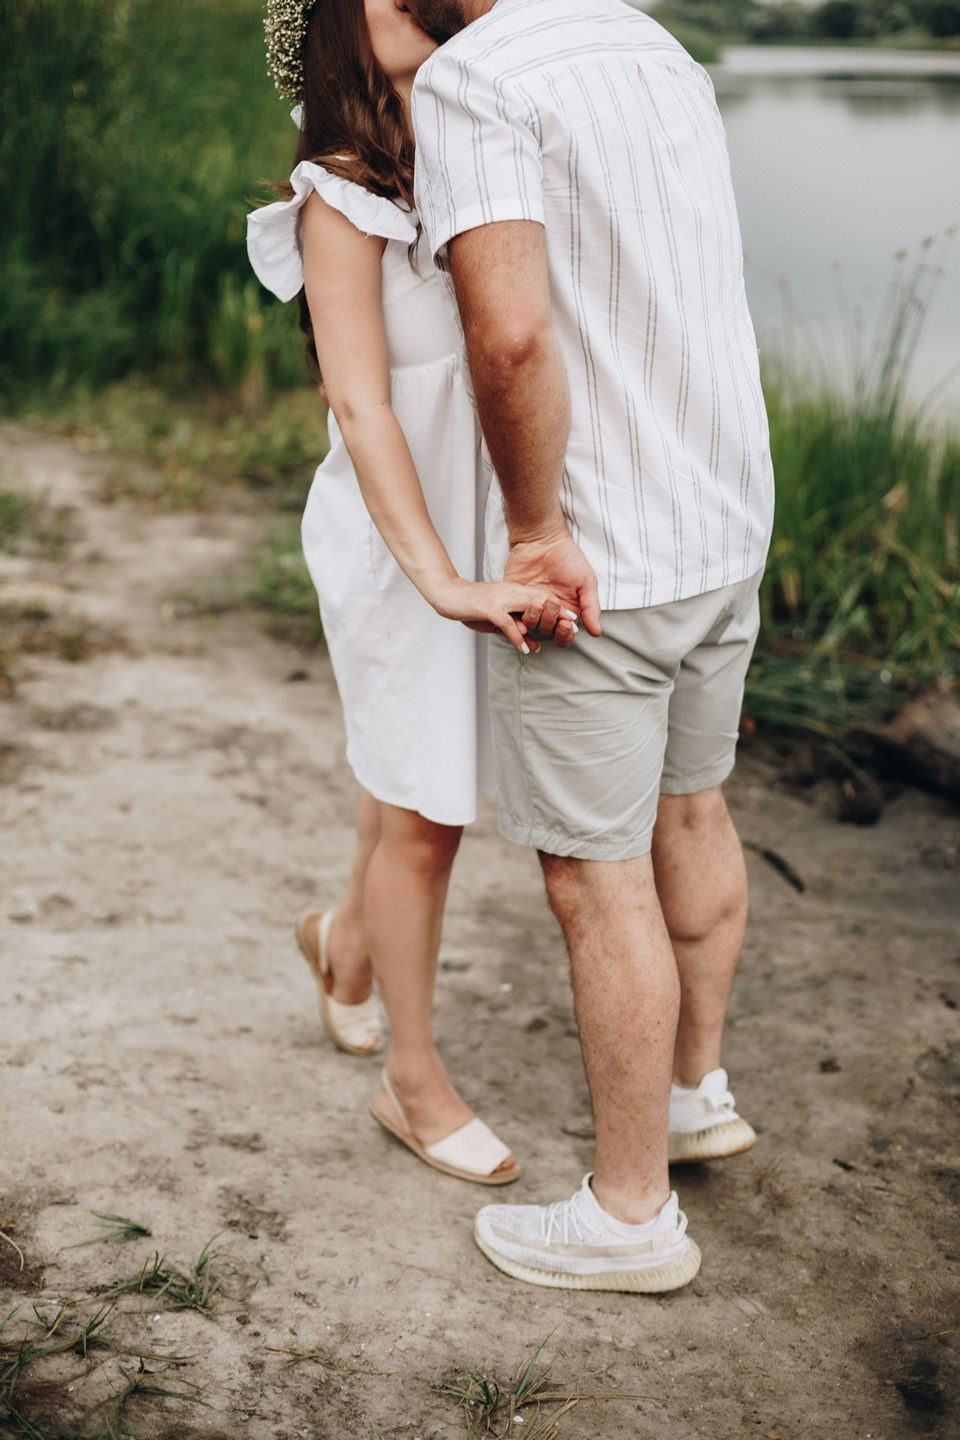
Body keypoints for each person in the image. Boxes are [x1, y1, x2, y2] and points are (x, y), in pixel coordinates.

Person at [405, 0, 775, 1290]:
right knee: (694, 810)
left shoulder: (474, 79)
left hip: (606, 550)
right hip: (726, 512)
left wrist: (536, 525)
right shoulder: (645, 37)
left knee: (593, 875)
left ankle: (630, 1218)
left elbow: (508, 332)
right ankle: (691, 1094)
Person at [247, 0, 576, 1188]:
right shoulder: (340, 192)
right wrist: (438, 576)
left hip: (494, 521)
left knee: (414, 770)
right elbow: (362, 405)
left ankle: (345, 944)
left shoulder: (479, 152)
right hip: (402, 537)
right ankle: (413, 1078)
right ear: (336, 24)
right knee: (431, 808)